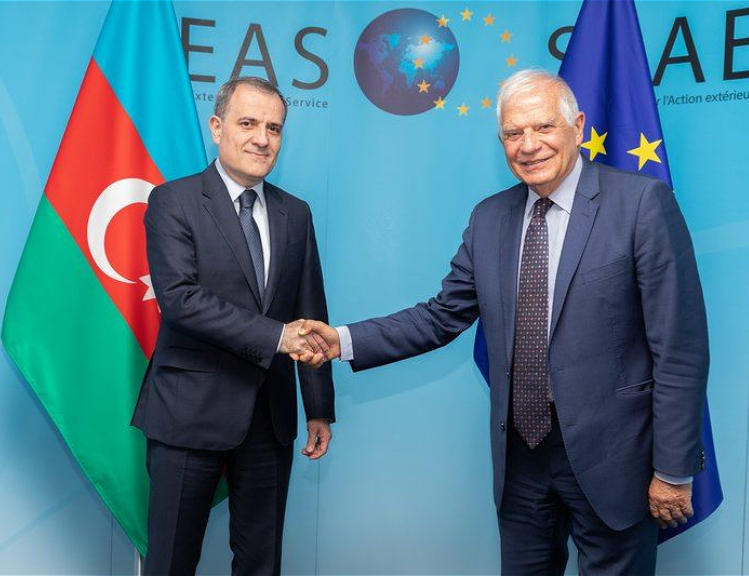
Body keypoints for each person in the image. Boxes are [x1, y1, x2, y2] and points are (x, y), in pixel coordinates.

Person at [302, 69, 708, 575]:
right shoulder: (489, 218)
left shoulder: (641, 204)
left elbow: (680, 349)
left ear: (577, 126)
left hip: (615, 459)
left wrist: (673, 469)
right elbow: (440, 316)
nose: (529, 145)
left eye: (543, 127)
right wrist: (341, 340)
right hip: (521, 460)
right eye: (514, 133)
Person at [131, 76, 334, 576]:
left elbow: (310, 311)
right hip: (188, 412)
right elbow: (180, 300)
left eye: (274, 128)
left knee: (261, 564)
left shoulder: (296, 213)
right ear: (217, 128)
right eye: (248, 124)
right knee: (171, 562)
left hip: (270, 417)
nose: (262, 139)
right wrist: (277, 336)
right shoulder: (173, 201)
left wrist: (318, 406)